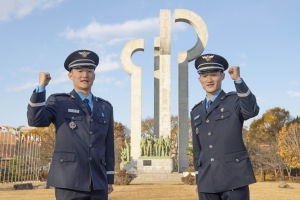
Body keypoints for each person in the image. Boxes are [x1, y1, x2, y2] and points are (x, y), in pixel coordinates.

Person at [27, 50, 114, 200]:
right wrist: (41, 87)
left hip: (98, 182)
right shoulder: (59, 101)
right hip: (68, 180)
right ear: (70, 75)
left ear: (94, 75)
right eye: (80, 71)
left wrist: (109, 178)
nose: (85, 75)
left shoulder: (106, 107)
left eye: (89, 71)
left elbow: (109, 145)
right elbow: (36, 120)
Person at [190, 53, 259, 200]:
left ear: (222, 76)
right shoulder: (196, 111)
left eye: (214, 75)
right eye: (204, 76)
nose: (209, 80)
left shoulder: (234, 100)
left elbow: (251, 111)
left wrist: (238, 81)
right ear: (199, 79)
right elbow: (198, 149)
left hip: (233, 177)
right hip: (207, 181)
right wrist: (199, 178)